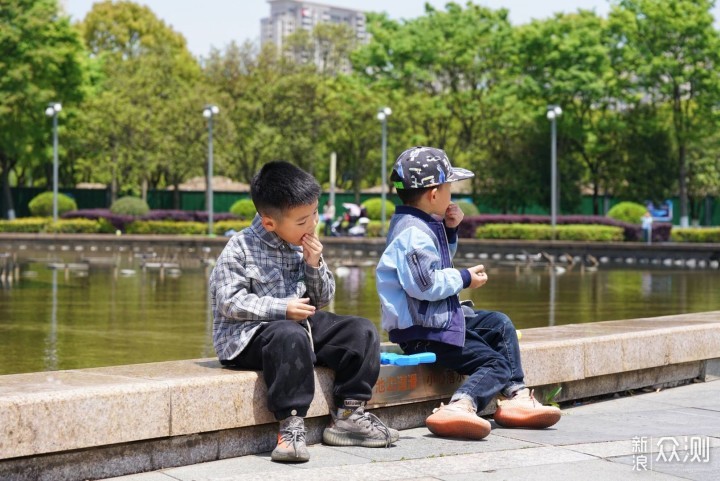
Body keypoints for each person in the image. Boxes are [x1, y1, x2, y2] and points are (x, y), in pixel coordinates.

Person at [211, 161, 399, 463]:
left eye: (314, 214)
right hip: (246, 338)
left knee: (360, 331)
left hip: (299, 327)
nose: (311, 225)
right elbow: (228, 302)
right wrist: (282, 308)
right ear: (270, 222)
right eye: (302, 221)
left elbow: (321, 300)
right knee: (289, 333)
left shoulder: (300, 244)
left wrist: (314, 264)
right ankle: (290, 427)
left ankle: (349, 415)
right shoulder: (240, 247)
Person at [376, 146, 561, 440]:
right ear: (434, 194)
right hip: (423, 330)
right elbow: (425, 285)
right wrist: (464, 277)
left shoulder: (422, 223)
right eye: (450, 187)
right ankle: (461, 404)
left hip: (435, 321)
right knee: (495, 363)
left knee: (499, 323)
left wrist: (450, 230)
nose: (453, 194)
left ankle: (517, 397)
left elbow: (433, 264)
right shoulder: (412, 232)